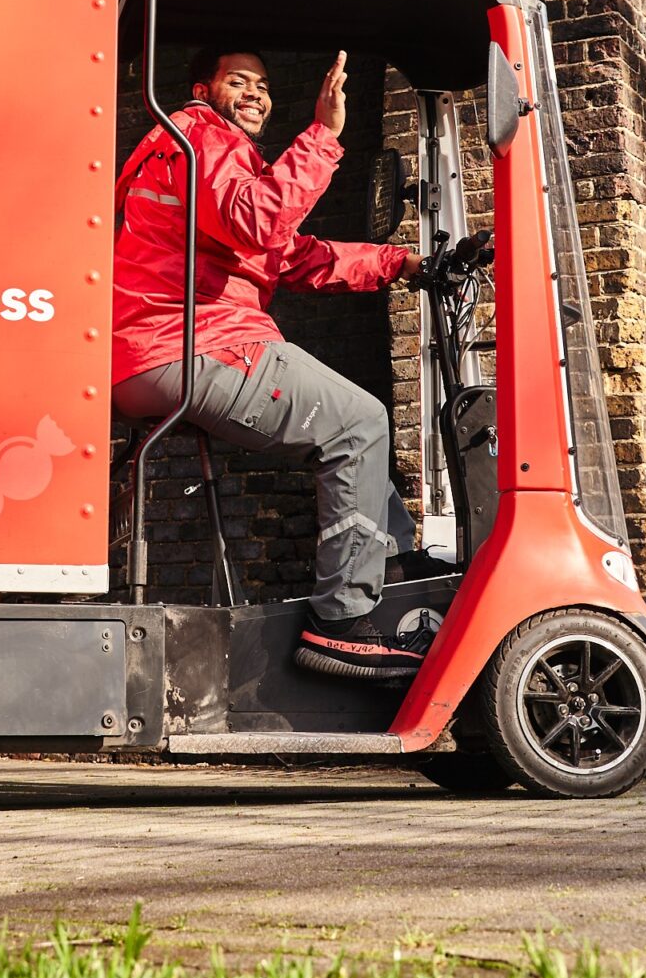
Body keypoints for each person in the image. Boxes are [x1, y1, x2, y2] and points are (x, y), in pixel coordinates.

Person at [112, 46, 443, 679]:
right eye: (238, 81)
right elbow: (260, 223)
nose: (256, 94)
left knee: (351, 423)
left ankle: (391, 563)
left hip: (160, 347)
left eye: (263, 86)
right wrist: (323, 134)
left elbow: (285, 255)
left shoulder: (185, 153)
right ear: (203, 90)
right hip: (192, 340)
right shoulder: (202, 137)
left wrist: (394, 263)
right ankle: (343, 622)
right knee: (359, 424)